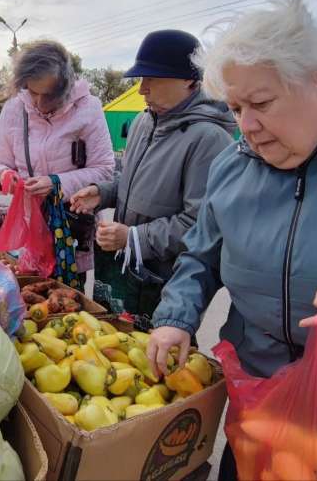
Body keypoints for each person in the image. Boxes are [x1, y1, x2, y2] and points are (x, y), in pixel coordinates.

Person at [143, 0, 317, 479]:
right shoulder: (231, 167)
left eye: (261, 103)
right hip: (257, 388)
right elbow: (200, 258)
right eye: (234, 108)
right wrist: (176, 318)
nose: (247, 126)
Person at [70, 30, 235, 324]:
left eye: (152, 79)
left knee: (153, 360)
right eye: (140, 79)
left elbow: (200, 226)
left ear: (189, 79)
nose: (142, 89)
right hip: (123, 266)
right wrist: (103, 192)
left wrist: (134, 237)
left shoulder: (209, 138)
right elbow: (130, 180)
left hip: (165, 282)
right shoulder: (143, 122)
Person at [0, 40, 115, 280]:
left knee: (66, 304)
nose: (37, 102)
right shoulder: (14, 109)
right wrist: (4, 176)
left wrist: (56, 183)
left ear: (64, 86)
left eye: (46, 95)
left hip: (69, 228)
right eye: (31, 91)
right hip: (27, 228)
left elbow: (104, 171)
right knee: (24, 292)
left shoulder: (88, 108)